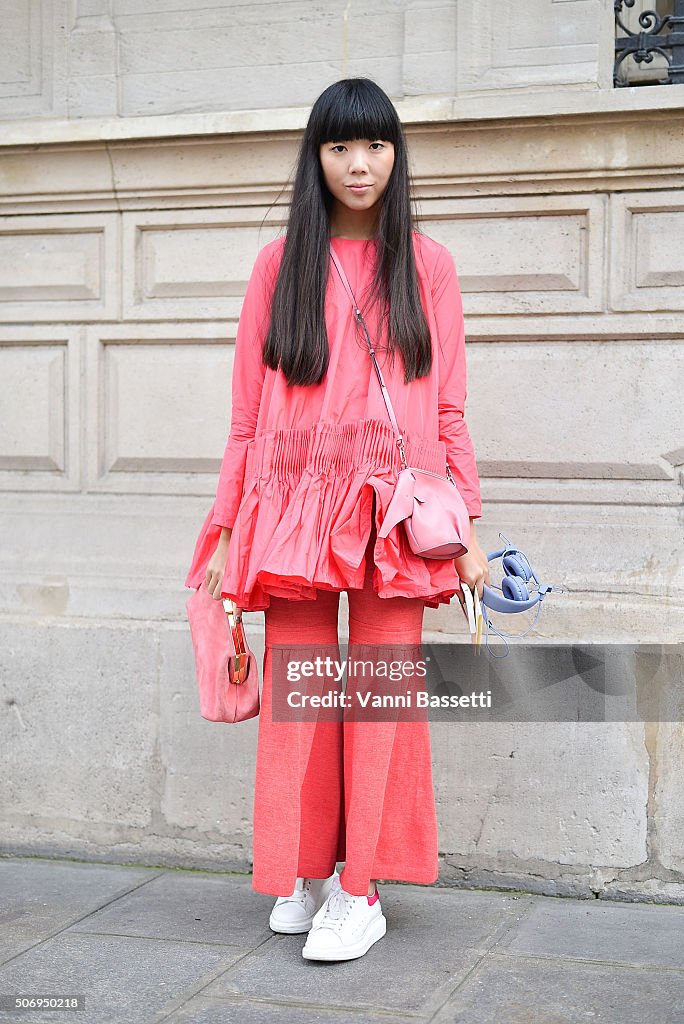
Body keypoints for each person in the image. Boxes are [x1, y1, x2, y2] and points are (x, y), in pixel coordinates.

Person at [185, 77, 489, 961]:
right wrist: (228, 527)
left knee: (382, 701)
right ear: (315, 159)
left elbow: (452, 410)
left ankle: (362, 890)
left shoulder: (427, 266)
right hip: (293, 507)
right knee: (302, 701)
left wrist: (466, 528)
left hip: (395, 511)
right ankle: (310, 871)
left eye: (378, 146)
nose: (361, 165)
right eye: (340, 147)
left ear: (398, 155)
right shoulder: (279, 265)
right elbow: (247, 414)